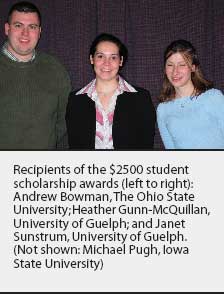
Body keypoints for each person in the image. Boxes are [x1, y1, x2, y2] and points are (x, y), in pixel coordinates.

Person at [0, 1, 71, 149]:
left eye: (32, 27)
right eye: (18, 26)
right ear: (7, 29)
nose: (25, 33)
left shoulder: (55, 69)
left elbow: (63, 120)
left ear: (39, 31)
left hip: (41, 168)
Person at [66, 33, 155, 149]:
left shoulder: (141, 98)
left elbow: (146, 147)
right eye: (100, 56)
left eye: (113, 57)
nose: (106, 63)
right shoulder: (76, 100)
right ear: (91, 59)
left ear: (121, 61)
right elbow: (75, 148)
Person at [157, 39, 224, 149]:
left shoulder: (214, 98)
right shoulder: (162, 109)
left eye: (182, 65)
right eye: (170, 65)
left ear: (193, 67)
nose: (175, 71)